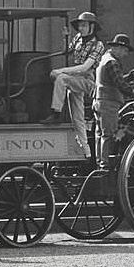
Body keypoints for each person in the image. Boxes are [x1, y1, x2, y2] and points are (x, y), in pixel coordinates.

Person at [41, 11, 106, 158]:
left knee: (61, 79)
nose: (81, 28)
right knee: (77, 118)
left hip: (88, 80)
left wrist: (60, 71)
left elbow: (85, 67)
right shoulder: (77, 38)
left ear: (92, 27)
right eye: (80, 26)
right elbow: (67, 52)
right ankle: (87, 153)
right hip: (75, 80)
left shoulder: (98, 45)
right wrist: (66, 37)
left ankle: (56, 112)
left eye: (84, 25)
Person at [93, 33, 134, 169]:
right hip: (108, 103)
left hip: (99, 101)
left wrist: (128, 77)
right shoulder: (112, 62)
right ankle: (106, 167)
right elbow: (121, 86)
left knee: (100, 135)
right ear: (117, 48)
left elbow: (112, 80)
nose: (126, 54)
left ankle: (100, 163)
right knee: (108, 135)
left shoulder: (104, 59)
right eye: (125, 50)